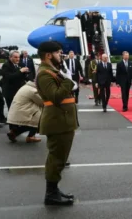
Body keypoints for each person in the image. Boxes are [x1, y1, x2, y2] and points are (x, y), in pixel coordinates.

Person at [36, 41, 78, 205]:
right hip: (57, 121)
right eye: (58, 53)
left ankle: (54, 190)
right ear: (48, 55)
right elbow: (56, 96)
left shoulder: (53, 70)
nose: (61, 56)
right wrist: (68, 80)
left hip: (63, 120)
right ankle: (51, 193)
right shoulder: (45, 73)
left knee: (60, 157)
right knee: (56, 158)